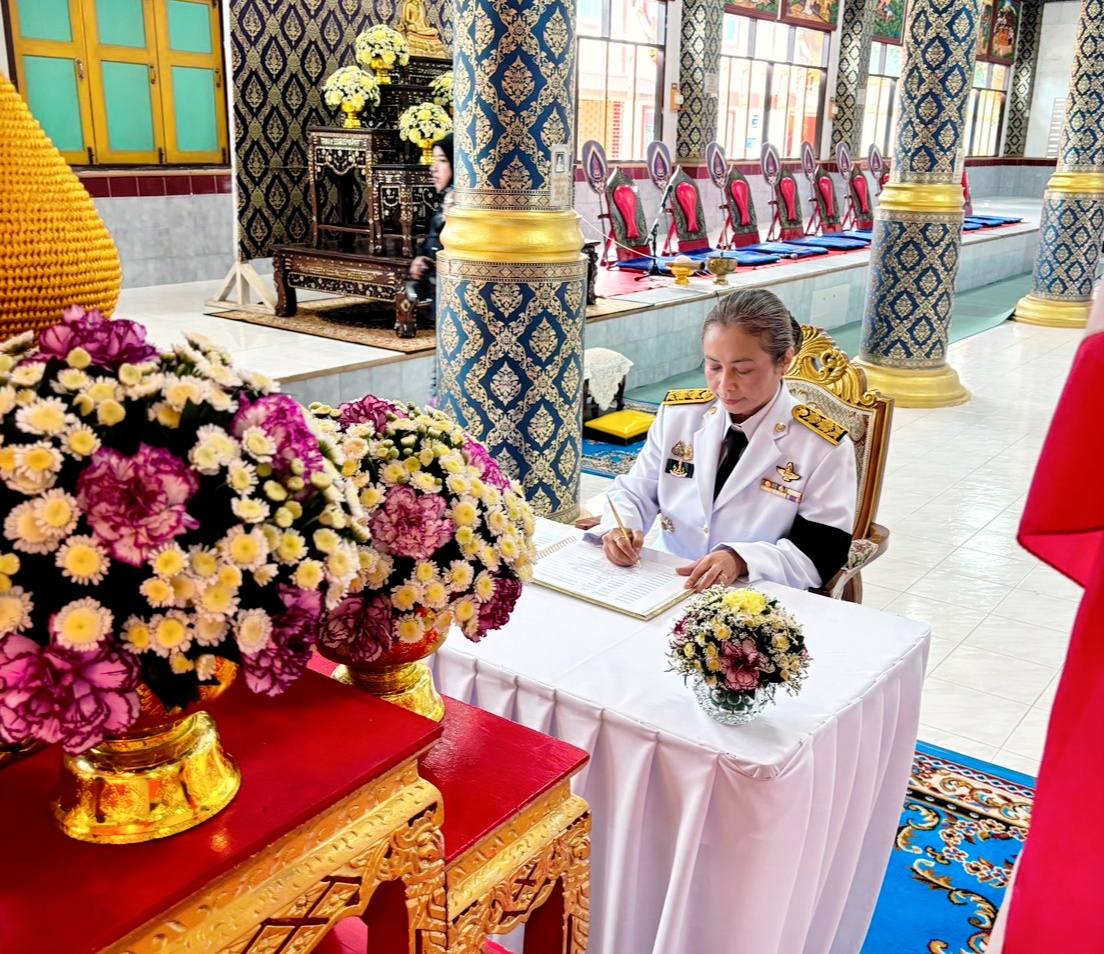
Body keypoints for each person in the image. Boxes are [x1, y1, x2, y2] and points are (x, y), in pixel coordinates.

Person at [585, 289, 857, 591]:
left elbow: (821, 553)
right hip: (668, 580)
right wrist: (618, 527)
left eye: (743, 369)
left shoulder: (821, 446)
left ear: (784, 362)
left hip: (754, 596)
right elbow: (636, 491)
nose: (725, 385)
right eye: (713, 366)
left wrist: (740, 559)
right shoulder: (680, 415)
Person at [406, 133, 453, 310]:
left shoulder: (460, 203)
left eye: (442, 160)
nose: (433, 168)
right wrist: (423, 258)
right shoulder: (447, 197)